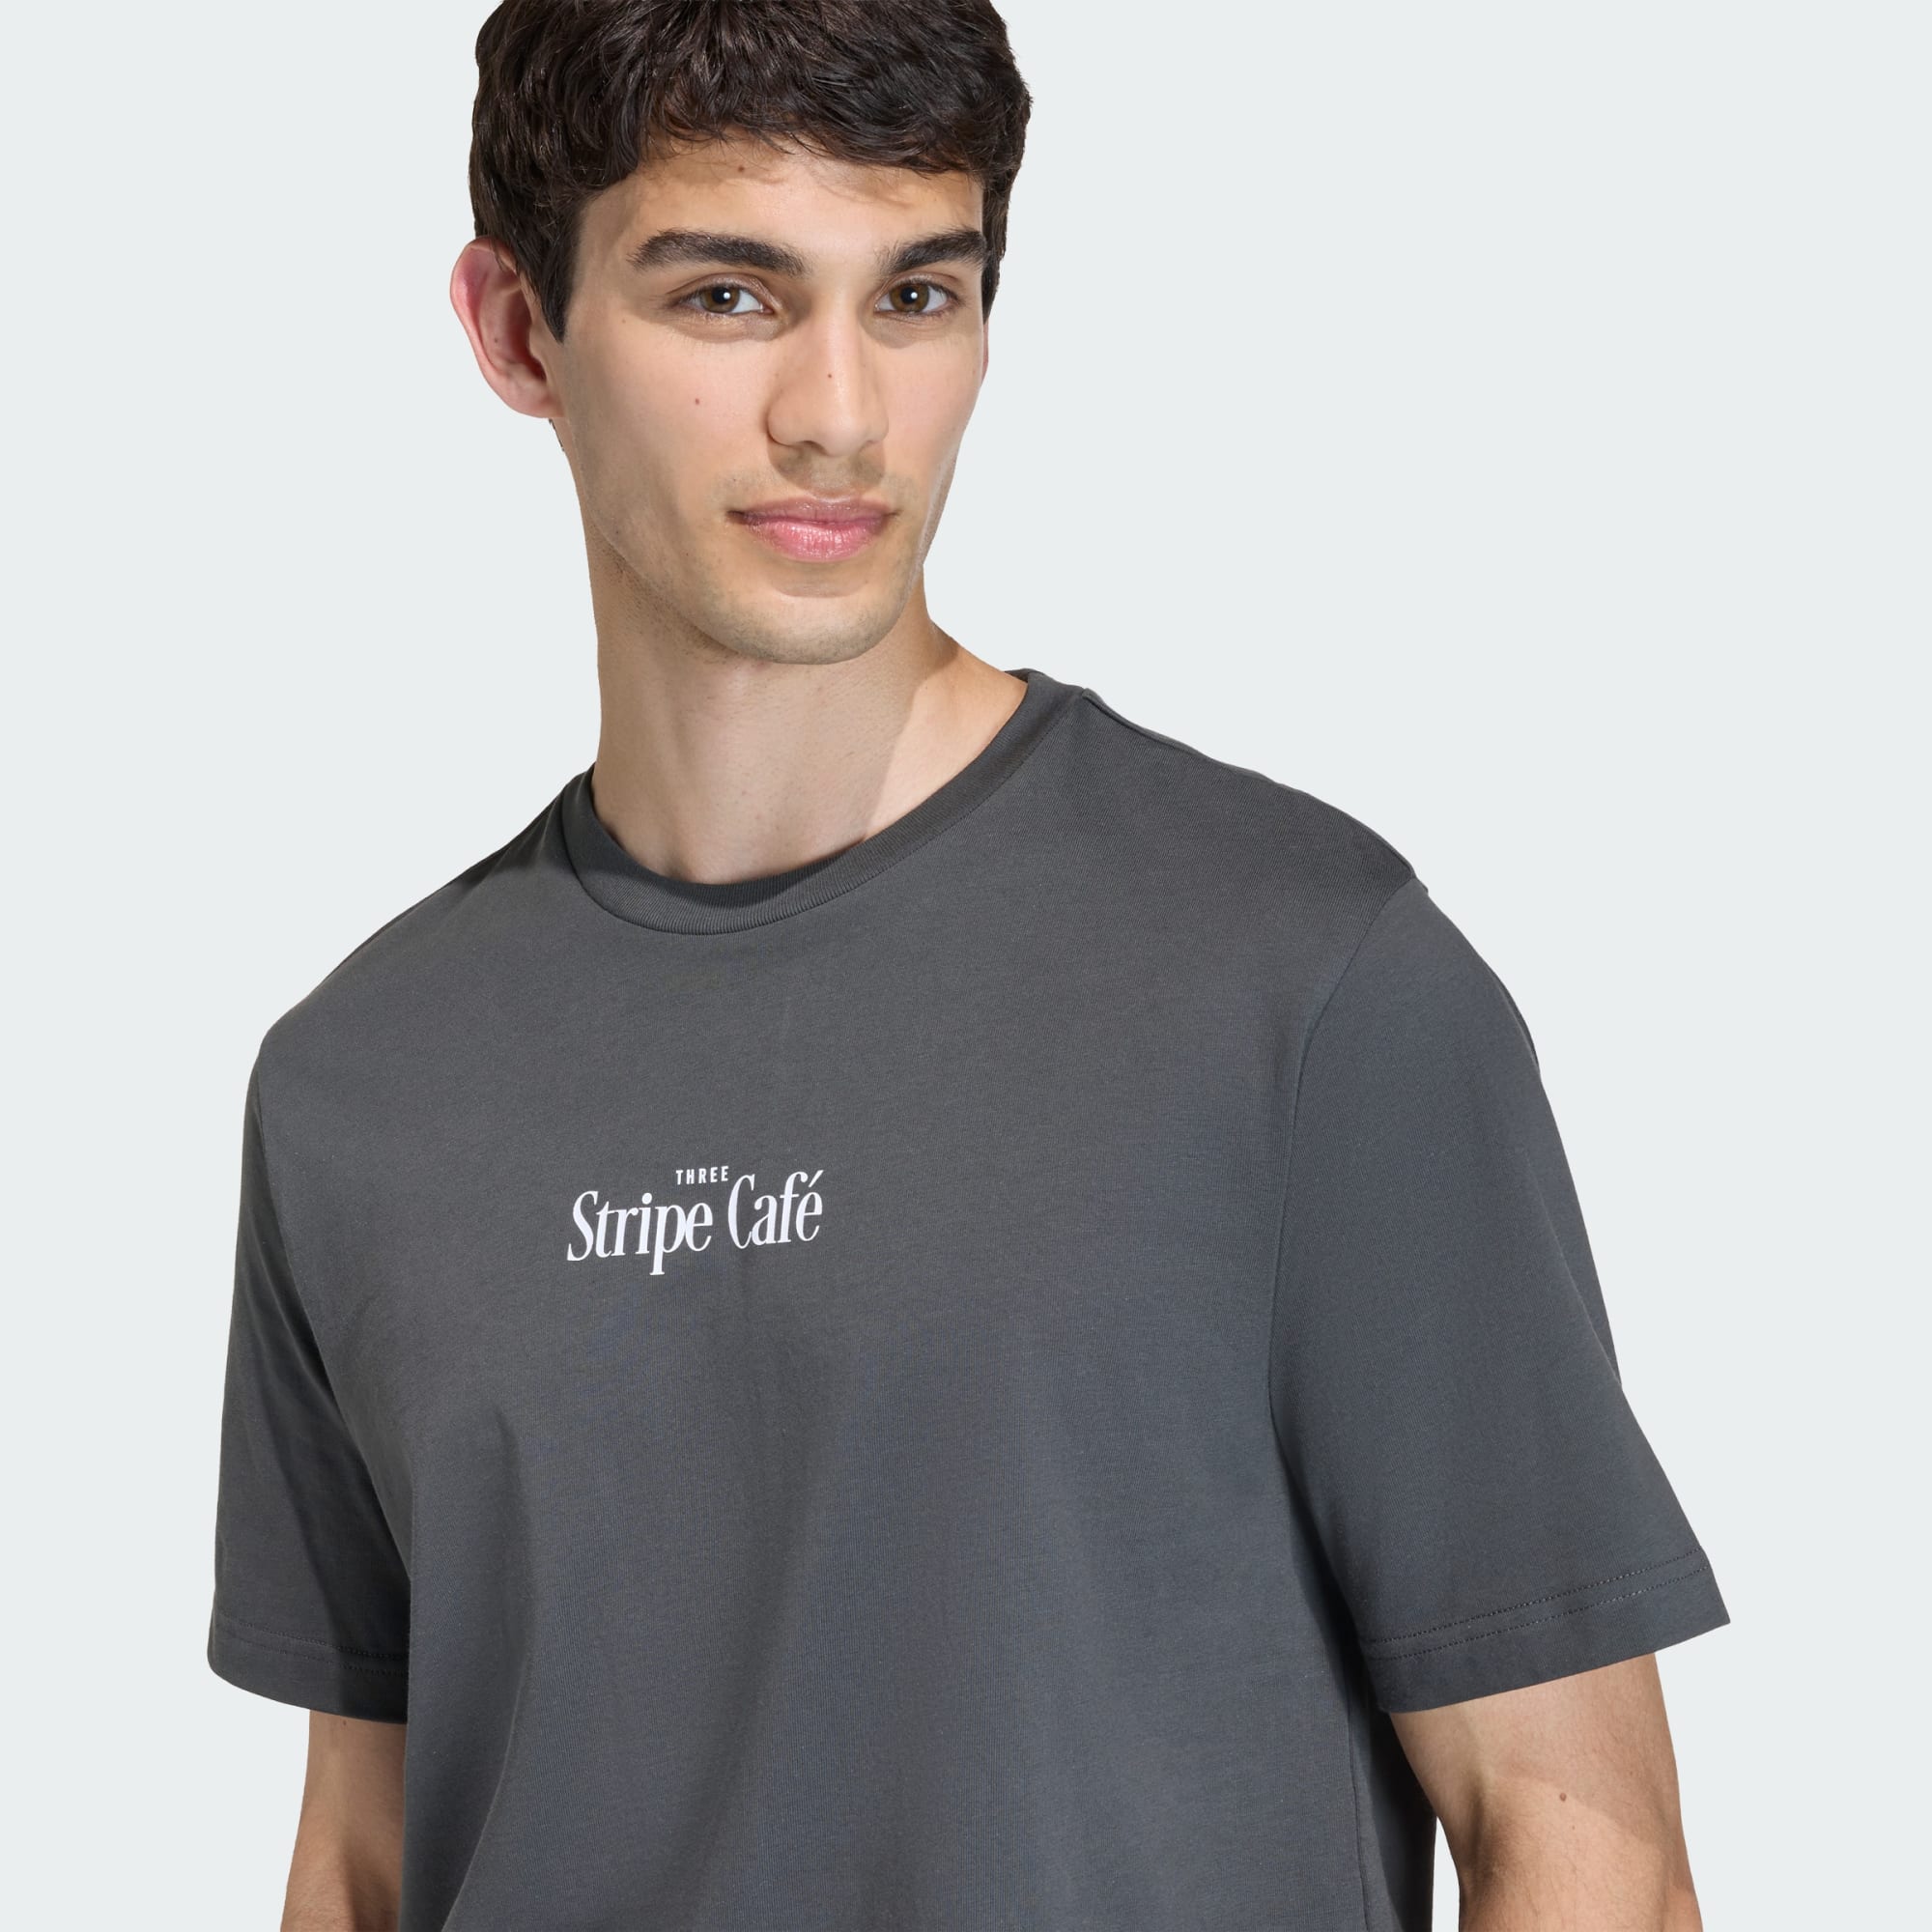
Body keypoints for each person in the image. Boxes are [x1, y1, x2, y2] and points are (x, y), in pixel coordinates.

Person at [205, 3, 1730, 1926]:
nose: (841, 413)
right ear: (520, 332)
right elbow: (362, 1855)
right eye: (730, 297)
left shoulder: (1304, 985)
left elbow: (1582, 1843)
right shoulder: (363, 1080)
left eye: (916, 295)